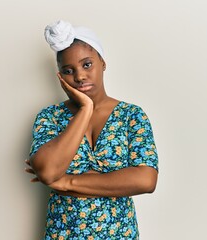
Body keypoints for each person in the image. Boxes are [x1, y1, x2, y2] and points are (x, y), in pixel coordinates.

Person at [25, 20, 159, 239]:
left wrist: (67, 182)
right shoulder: (49, 117)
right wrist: (86, 109)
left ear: (103, 63)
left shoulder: (131, 116)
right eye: (68, 71)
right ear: (60, 76)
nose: (79, 76)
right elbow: (48, 172)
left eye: (87, 64)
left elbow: (145, 179)